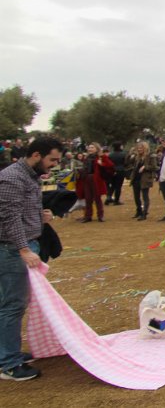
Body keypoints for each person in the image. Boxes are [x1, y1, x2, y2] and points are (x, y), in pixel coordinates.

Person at [0, 136, 62, 381]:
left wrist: (40, 216)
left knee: (13, 303)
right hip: (12, 250)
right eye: (52, 159)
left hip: (20, 246)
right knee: (12, 305)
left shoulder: (29, 177)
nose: (55, 164)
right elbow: (8, 217)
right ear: (37, 155)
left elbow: (20, 210)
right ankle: (8, 363)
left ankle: (8, 352)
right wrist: (24, 249)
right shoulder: (12, 178)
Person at [78, 143, 113, 223]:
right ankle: (88, 216)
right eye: (89, 147)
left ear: (97, 149)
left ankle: (100, 216)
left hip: (96, 179)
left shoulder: (100, 157)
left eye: (92, 147)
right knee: (88, 198)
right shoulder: (86, 158)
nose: (90, 149)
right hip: (87, 179)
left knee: (97, 198)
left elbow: (110, 165)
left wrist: (102, 163)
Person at [126, 141, 158, 221]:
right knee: (136, 197)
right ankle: (139, 211)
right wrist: (130, 155)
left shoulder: (151, 156)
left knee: (145, 196)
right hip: (136, 178)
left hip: (145, 179)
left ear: (145, 148)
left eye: (141, 148)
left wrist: (145, 167)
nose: (139, 149)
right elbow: (128, 163)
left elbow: (155, 167)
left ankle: (144, 213)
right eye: (138, 148)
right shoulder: (137, 156)